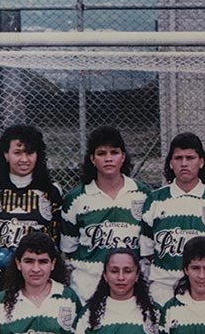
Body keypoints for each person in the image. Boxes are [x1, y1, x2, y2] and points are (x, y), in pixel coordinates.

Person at [60, 126, 153, 302]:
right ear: (92, 159)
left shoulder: (143, 194)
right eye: (101, 153)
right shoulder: (76, 199)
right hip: (88, 286)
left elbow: (148, 245)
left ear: (123, 157)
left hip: (131, 287)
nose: (109, 158)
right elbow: (69, 249)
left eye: (114, 152)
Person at [140, 132, 205, 306]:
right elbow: (147, 251)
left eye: (190, 157)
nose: (184, 163)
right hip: (164, 289)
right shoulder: (155, 200)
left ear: (201, 161)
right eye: (178, 158)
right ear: (170, 162)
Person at [0, 125, 62, 305]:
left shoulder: (50, 192)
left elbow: (57, 239)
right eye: (18, 152)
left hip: (40, 280)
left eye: (30, 153)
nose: (24, 159)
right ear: (6, 154)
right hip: (1, 278)